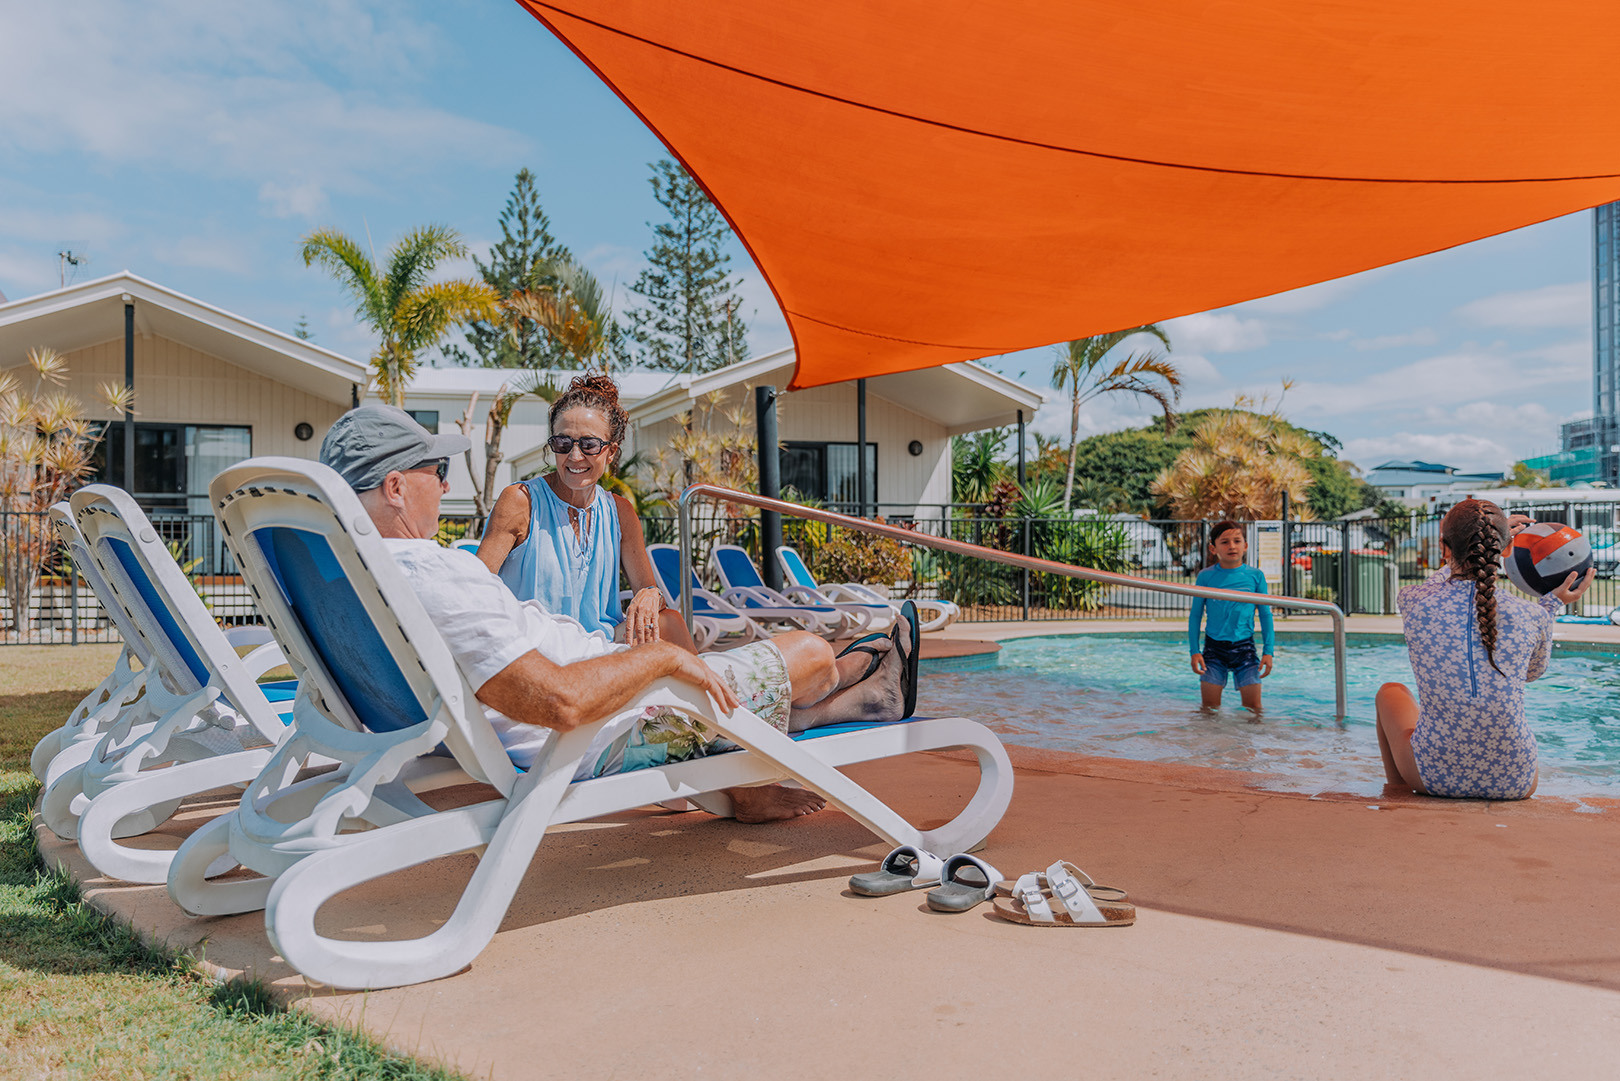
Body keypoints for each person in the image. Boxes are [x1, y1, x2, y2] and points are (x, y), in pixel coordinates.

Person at [319, 405, 917, 823]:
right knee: (810, 655)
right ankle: (861, 675)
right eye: (437, 473)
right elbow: (561, 703)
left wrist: (655, 633)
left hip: (594, 684)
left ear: (609, 450)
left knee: (744, 663)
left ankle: (866, 690)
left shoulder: (353, 574)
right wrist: (659, 659)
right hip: (599, 725)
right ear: (395, 488)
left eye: (589, 445)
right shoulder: (435, 567)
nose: (445, 489)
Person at [1375, 498, 1593, 800]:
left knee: (1390, 691)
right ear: (1505, 551)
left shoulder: (1414, 601)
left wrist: (1456, 541)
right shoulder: (1532, 615)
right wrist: (1551, 604)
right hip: (1516, 779)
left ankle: (1397, 793)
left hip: (1432, 777)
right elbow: (1531, 673)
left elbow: (1441, 578)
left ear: (1445, 549)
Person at [475, 374, 691, 649]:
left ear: (611, 452)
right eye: (563, 443)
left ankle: (714, 692)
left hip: (599, 642)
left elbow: (647, 590)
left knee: (669, 621)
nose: (575, 456)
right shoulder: (521, 501)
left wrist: (651, 595)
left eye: (589, 444)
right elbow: (477, 587)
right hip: (538, 647)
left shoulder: (619, 511)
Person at [1187, 520, 1275, 713]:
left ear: (1245, 545)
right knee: (1209, 710)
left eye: (1237, 541)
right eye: (1224, 542)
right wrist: (1194, 651)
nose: (1232, 546)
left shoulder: (1255, 576)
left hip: (1245, 648)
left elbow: (1266, 614)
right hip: (1213, 649)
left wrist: (1269, 651)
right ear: (1213, 548)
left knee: (1254, 709)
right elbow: (1195, 616)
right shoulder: (1206, 576)